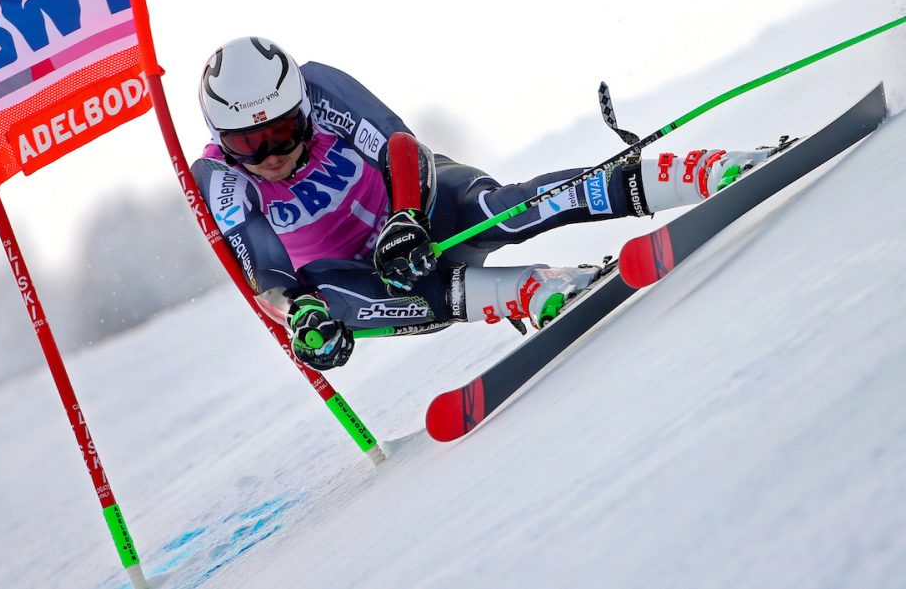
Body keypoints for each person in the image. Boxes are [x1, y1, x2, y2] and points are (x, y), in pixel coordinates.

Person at [192, 37, 780, 371]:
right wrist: (301, 316)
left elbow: (398, 143)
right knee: (329, 294)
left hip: (418, 206)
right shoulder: (218, 178)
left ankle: (695, 173)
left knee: (509, 209)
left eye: (284, 131)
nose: (271, 153)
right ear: (223, 139)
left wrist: (403, 218)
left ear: (300, 107)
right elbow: (266, 274)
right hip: (368, 279)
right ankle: (529, 290)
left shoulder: (320, 87)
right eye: (249, 142)